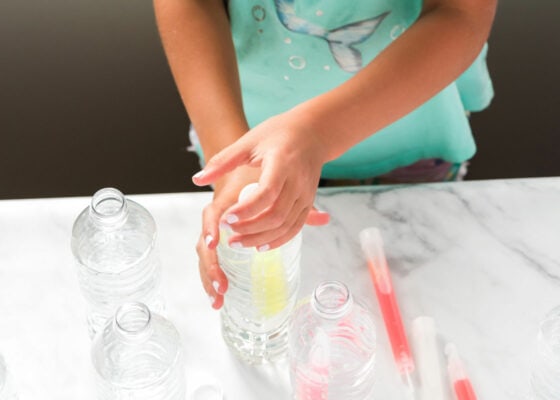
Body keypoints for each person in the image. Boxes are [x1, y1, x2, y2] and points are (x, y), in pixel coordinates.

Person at [154, 0, 497, 309]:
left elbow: (461, 12)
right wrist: (230, 165)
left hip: (408, 137)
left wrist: (318, 133)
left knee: (419, 295)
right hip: (248, 139)